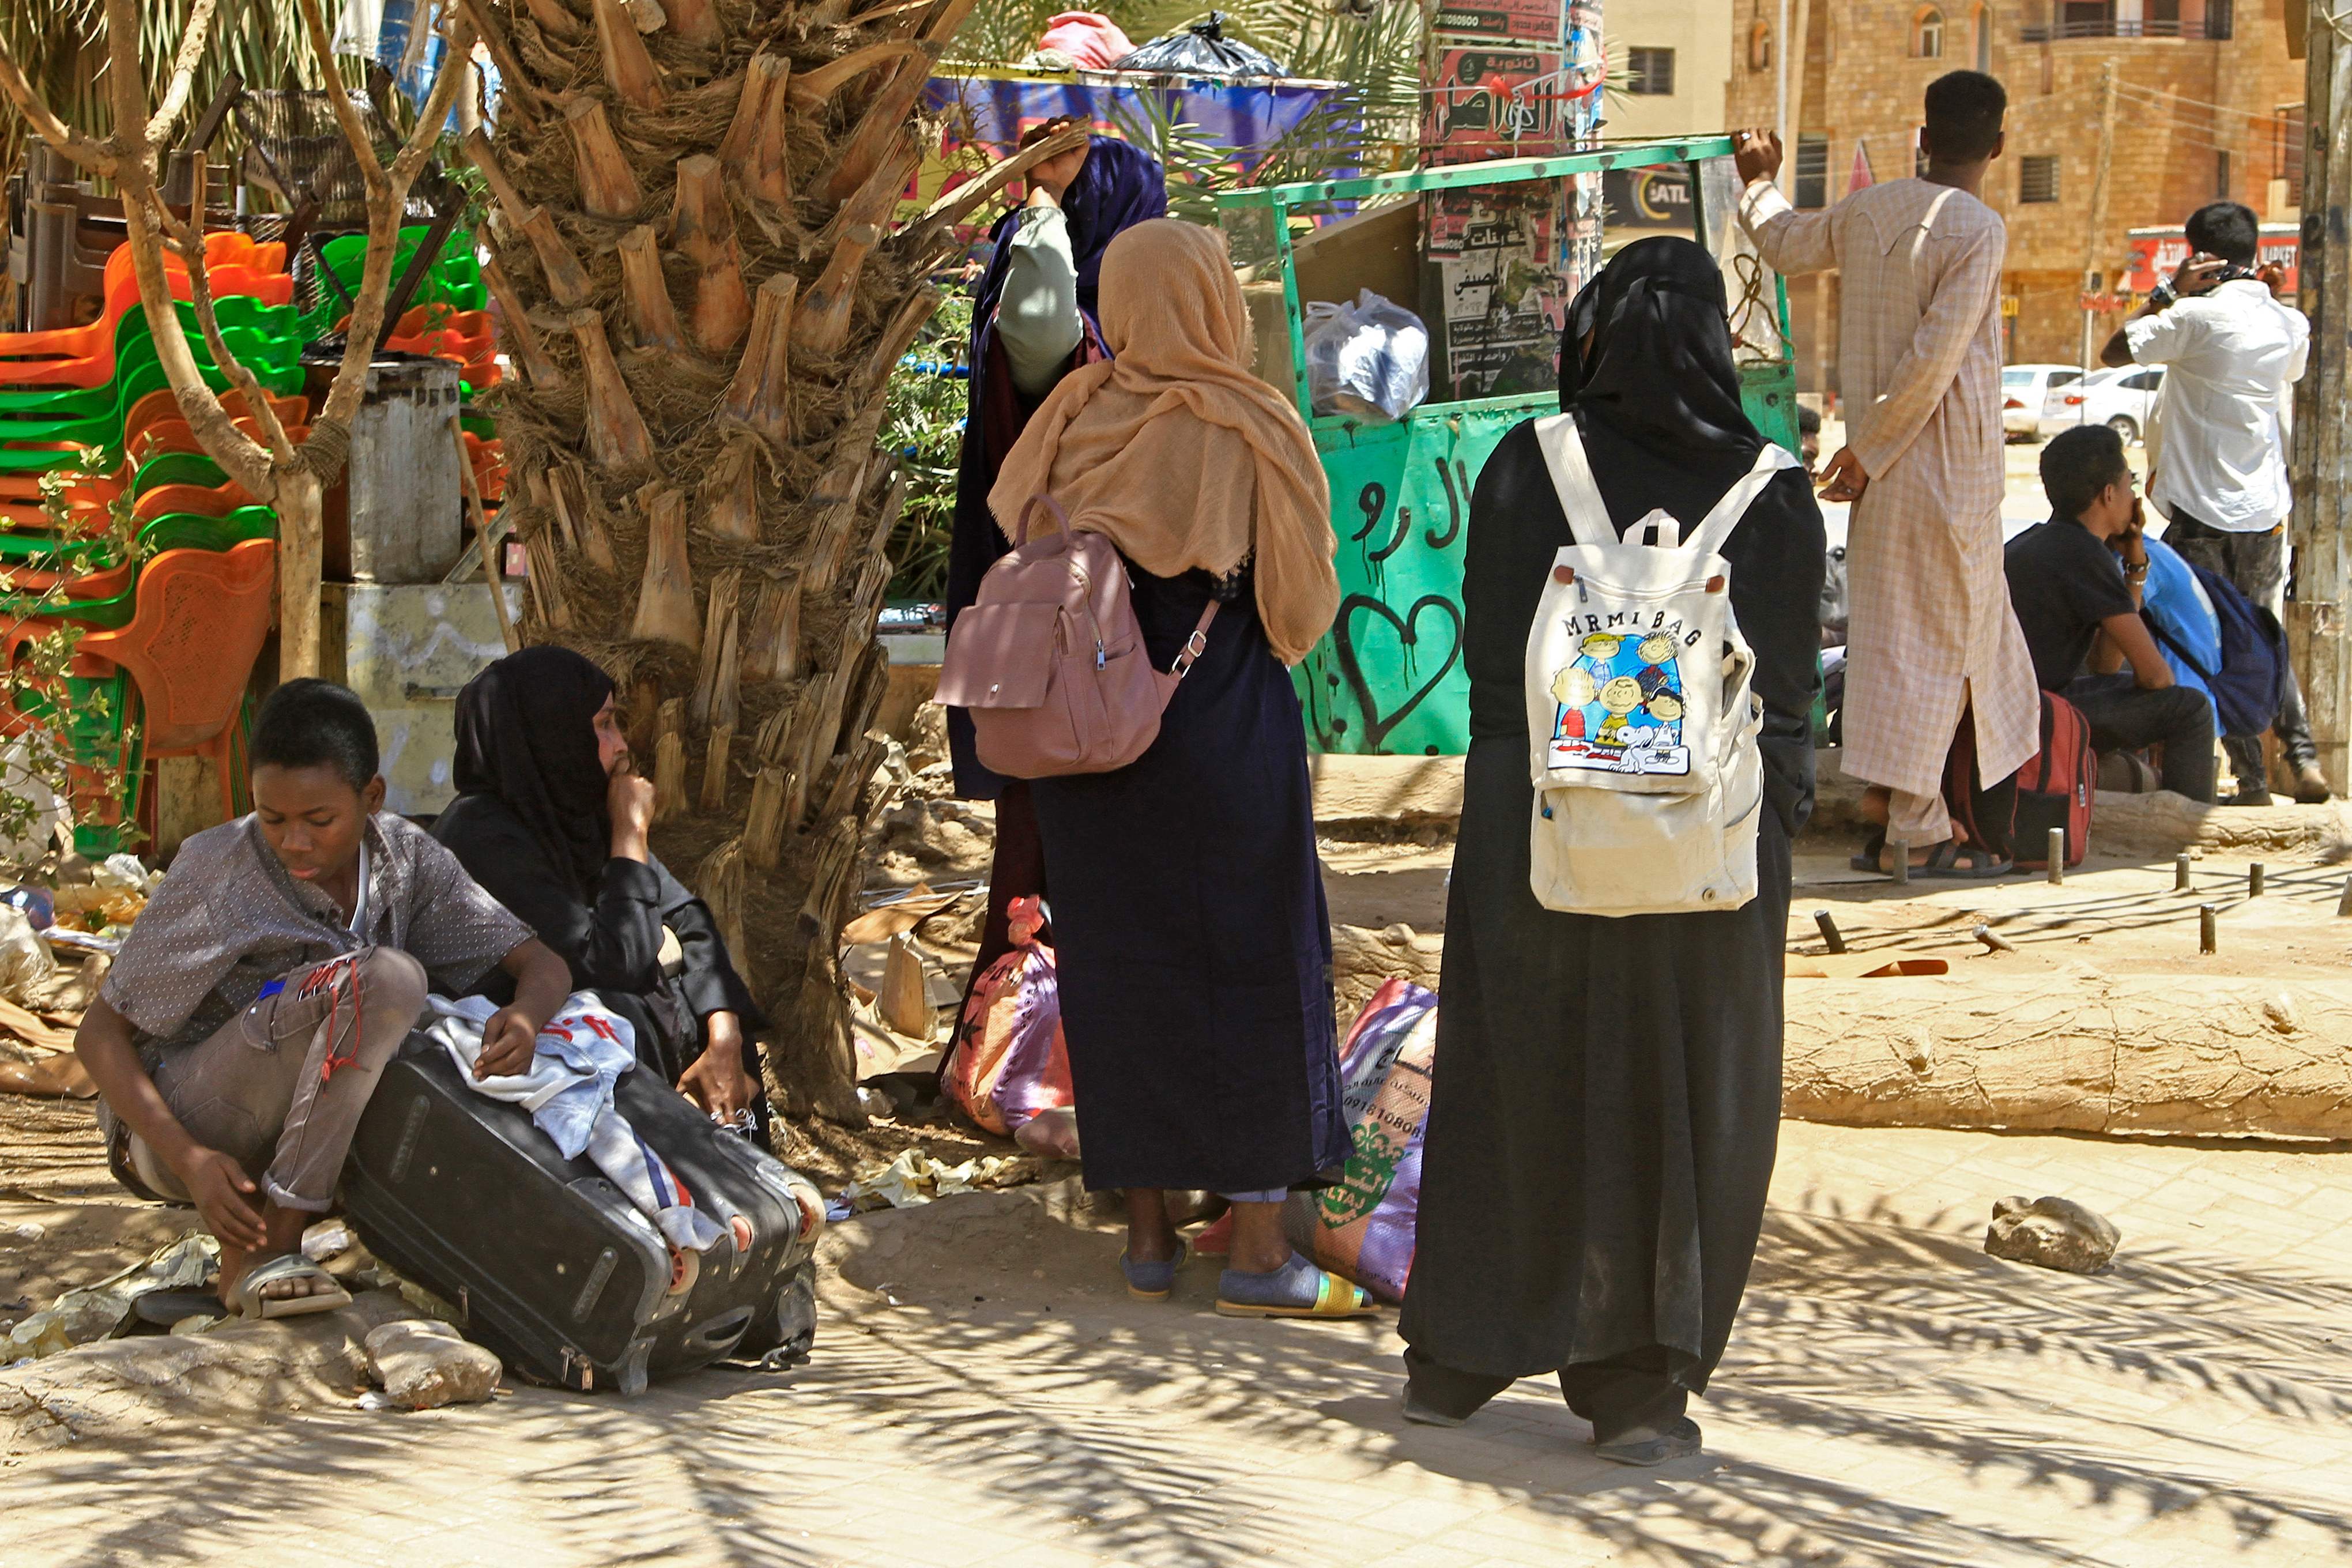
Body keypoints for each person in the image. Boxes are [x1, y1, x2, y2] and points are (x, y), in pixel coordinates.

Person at [1397, 238, 1825, 1466]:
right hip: (1709, 865)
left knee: (1515, 1080)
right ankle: (1638, 1389)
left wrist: (1511, 824)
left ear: (1589, 338)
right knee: (1688, 1102)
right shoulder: (1774, 490)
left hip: (1535, 844)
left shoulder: (1528, 466)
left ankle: (1460, 1356)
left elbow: (1490, 683)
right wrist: (1764, 833)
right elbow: (1788, 704)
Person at [985, 218, 1362, 1318]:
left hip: (1080, 735)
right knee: (1252, 968)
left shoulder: (1071, 410)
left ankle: (1148, 1241)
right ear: (1208, 303)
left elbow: (1015, 516)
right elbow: (1299, 604)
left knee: (1121, 974)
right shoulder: (1245, 423)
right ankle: (1254, 1255)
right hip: (1217, 729)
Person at [74, 680, 571, 1317]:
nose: (294, 842)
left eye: (319, 820)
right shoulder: (217, 869)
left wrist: (526, 1016)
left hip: (308, 1128)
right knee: (387, 979)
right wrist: (191, 1159)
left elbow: (542, 962)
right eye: (272, 818)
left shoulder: (407, 858)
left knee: (412, 1017)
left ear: (372, 797)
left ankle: (288, 1234)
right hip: (184, 1124)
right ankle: (269, 1248)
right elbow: (98, 1035)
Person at [1736, 70, 2040, 876]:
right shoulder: (1977, 229)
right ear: (1999, 146)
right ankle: (1917, 822)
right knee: (1946, 642)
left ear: (1924, 137)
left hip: (1883, 467)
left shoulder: (1871, 209)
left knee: (1898, 638)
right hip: (1944, 468)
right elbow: (1935, 360)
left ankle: (1893, 803)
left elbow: (1784, 242)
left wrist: (1759, 182)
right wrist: (1867, 452)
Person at [943, 124, 1169, 991]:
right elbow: (1040, 316)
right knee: (1054, 851)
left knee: (1042, 846)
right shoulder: (1060, 323)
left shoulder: (1095, 325)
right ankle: (1032, 1052)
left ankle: (1031, 1040)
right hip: (1072, 643)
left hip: (1062, 635)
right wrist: (1044, 205)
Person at [432, 646, 768, 1132]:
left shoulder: (576, 816)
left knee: (710, 1010)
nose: (621, 745)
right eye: (603, 725)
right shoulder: (484, 838)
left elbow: (688, 917)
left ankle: (748, 1190)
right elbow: (616, 965)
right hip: (513, 1072)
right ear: (552, 734)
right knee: (624, 1013)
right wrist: (630, 835)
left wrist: (725, 1033)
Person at [2099, 200, 2323, 805]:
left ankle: (2247, 777)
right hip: (2263, 514)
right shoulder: (2287, 323)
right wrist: (2268, 297)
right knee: (2260, 630)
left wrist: (2169, 291)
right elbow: (2293, 369)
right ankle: (2299, 752)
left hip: (2199, 513)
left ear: (2200, 255)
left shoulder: (2192, 318)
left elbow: (2114, 352)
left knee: (2207, 640)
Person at [2005, 426, 2217, 802]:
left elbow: (2106, 663)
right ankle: (2183, 828)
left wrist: (2135, 566)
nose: (2133, 496)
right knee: (2192, 709)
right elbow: (2156, 677)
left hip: (2016, 707)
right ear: (2108, 494)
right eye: (2129, 484)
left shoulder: (2032, 541)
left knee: (2116, 682)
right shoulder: (2086, 554)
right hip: (2040, 715)